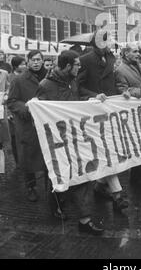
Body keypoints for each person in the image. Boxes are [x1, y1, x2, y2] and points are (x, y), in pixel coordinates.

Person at [37, 50, 104, 235]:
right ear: (67, 66)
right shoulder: (45, 85)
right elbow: (41, 113)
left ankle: (85, 219)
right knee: (56, 176)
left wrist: (93, 97)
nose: (79, 67)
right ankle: (56, 206)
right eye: (77, 65)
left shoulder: (72, 81)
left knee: (82, 175)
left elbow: (79, 94)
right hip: (57, 141)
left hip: (74, 138)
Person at [78, 29, 128, 212]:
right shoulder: (85, 60)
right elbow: (79, 86)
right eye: (103, 41)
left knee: (109, 149)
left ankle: (100, 186)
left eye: (107, 41)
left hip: (110, 109)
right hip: (94, 111)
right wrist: (93, 96)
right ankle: (118, 194)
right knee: (105, 150)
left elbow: (116, 81)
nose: (106, 44)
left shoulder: (113, 59)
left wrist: (124, 92)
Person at [115, 43, 141, 197]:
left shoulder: (136, 65)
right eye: (134, 52)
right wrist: (138, 91)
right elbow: (122, 90)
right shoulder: (120, 70)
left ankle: (139, 179)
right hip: (134, 114)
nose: (138, 54)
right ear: (126, 54)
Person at [7, 50, 47, 202]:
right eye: (32, 60)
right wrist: (27, 108)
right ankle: (31, 187)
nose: (36, 63)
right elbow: (11, 101)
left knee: (47, 157)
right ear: (28, 62)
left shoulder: (50, 78)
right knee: (28, 158)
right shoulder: (19, 80)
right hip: (28, 125)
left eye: (38, 60)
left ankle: (50, 188)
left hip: (46, 124)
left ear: (42, 61)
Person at [6, 56, 27, 165]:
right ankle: (18, 160)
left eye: (25, 64)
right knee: (15, 137)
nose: (24, 66)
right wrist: (9, 113)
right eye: (21, 64)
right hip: (13, 112)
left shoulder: (27, 76)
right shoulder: (9, 77)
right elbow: (7, 97)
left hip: (23, 110)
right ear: (15, 66)